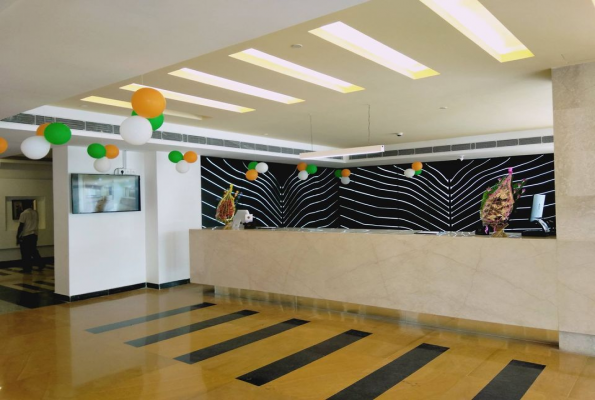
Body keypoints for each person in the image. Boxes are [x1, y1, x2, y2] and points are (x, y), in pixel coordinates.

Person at [16, 201, 44, 274]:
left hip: (26, 235)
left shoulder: (23, 214)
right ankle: (40, 263)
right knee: (33, 250)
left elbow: (21, 226)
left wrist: (17, 236)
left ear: (24, 206)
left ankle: (27, 268)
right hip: (34, 234)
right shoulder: (35, 212)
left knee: (25, 252)